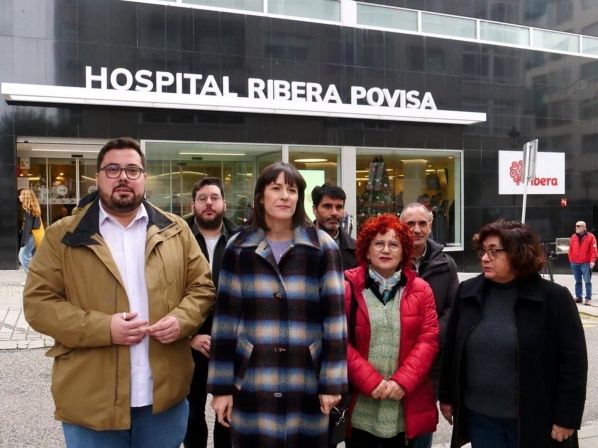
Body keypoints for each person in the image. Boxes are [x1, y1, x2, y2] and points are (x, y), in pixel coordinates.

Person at [23, 137, 216, 448]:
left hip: (163, 401)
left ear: (144, 178)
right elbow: (38, 304)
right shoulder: (63, 235)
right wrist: (104, 328)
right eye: (113, 169)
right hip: (91, 402)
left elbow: (202, 286)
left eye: (132, 170)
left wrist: (182, 319)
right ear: (98, 177)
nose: (123, 177)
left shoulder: (176, 230)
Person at [207, 161, 348, 448]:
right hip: (253, 377)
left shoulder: (322, 247)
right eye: (276, 188)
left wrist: (332, 383)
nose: (285, 196)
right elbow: (225, 323)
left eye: (292, 190)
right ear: (261, 196)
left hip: (306, 377)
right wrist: (221, 388)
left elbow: (335, 321)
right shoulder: (239, 247)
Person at [439, 220, 587, 448]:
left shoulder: (554, 299)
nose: (485, 258)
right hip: (482, 420)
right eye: (482, 251)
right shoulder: (467, 293)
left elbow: (573, 364)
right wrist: (447, 396)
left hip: (536, 421)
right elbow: (452, 350)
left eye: (494, 251)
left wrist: (566, 417)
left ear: (519, 254)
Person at [344, 213, 439, 448]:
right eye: (378, 243)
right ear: (366, 251)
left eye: (394, 244)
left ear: (404, 252)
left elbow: (428, 340)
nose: (386, 250)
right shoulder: (346, 287)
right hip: (361, 403)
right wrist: (370, 381)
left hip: (404, 402)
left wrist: (402, 382)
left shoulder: (421, 290)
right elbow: (338, 340)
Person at [400, 202, 458, 448]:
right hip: (394, 360)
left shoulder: (446, 263)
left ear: (431, 226)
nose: (416, 229)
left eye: (422, 223)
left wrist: (428, 337)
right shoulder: (388, 258)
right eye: (410, 224)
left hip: (430, 363)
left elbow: (452, 309)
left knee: (422, 425)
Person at [184, 177, 236, 448]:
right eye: (202, 198)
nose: (208, 203)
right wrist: (188, 336)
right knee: (191, 418)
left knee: (227, 417)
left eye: (214, 198)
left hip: (229, 347)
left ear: (224, 204)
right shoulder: (177, 237)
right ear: (192, 204)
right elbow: (164, 291)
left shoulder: (241, 239)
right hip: (190, 345)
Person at [312, 182, 357, 270]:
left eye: (339, 207)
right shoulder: (299, 244)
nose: (334, 213)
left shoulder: (357, 250)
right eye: (327, 206)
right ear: (314, 210)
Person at [568, 220, 597, 305]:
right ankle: (578, 297)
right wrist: (571, 259)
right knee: (578, 281)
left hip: (585, 263)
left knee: (587, 281)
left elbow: (594, 250)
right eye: (576, 226)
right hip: (574, 263)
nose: (576, 227)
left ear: (584, 227)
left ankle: (588, 298)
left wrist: (592, 261)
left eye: (578, 226)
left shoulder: (591, 237)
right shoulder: (573, 236)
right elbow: (570, 249)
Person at [18, 189, 42, 273]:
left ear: (25, 197)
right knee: (31, 257)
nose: (19, 197)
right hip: (32, 236)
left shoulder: (29, 211)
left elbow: (28, 228)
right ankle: (35, 276)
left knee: (23, 256)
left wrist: (23, 242)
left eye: (21, 195)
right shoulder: (31, 209)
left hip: (30, 236)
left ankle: (31, 277)